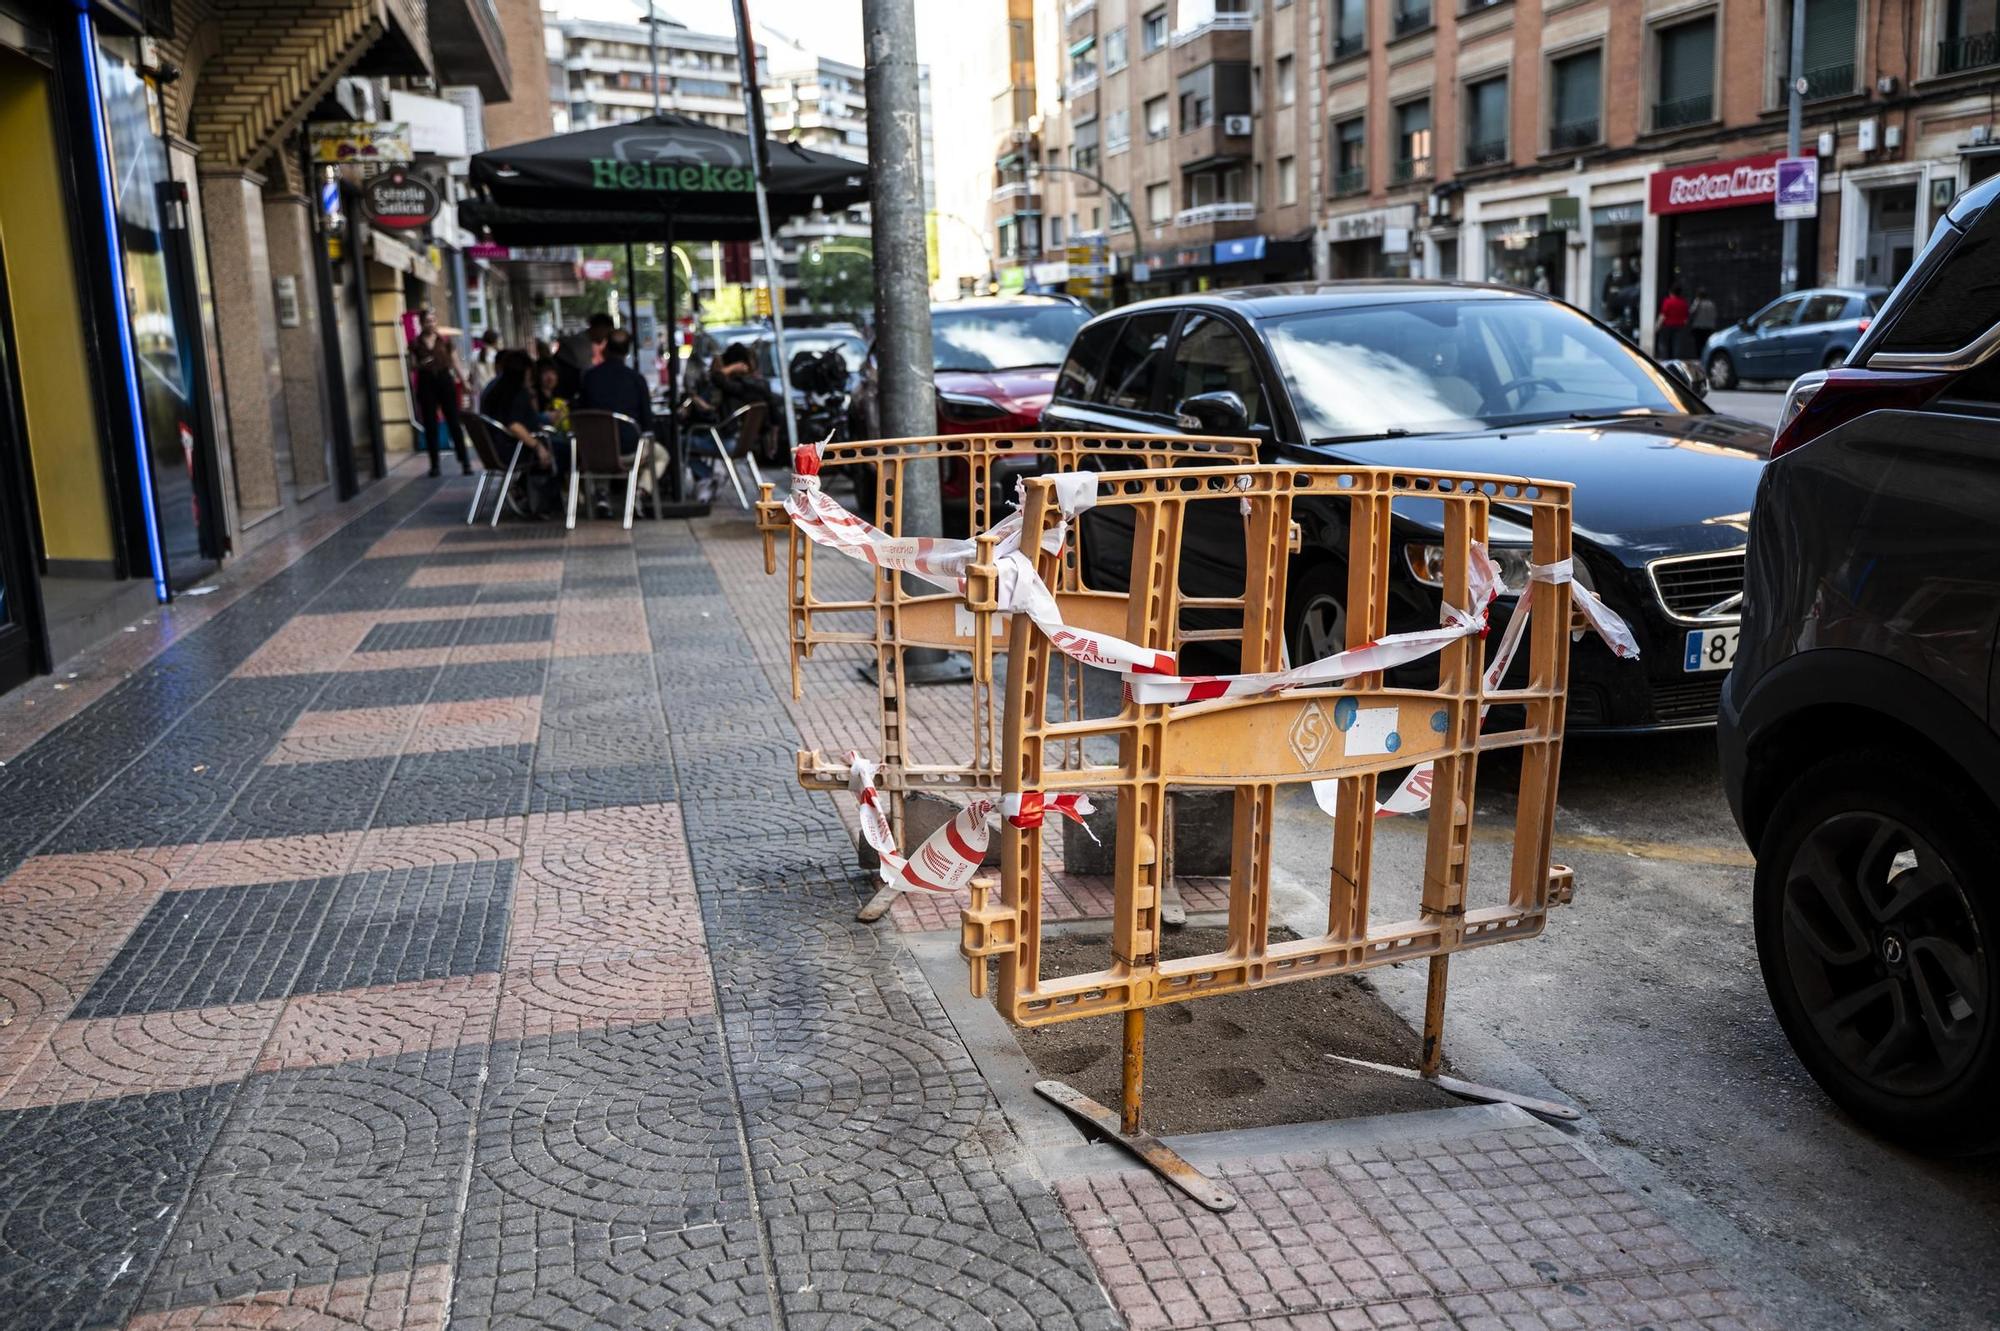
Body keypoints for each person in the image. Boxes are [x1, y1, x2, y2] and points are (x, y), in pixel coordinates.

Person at [579, 330, 670, 509]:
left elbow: (582, 410)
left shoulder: (589, 378)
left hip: (594, 451)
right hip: (630, 450)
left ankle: (602, 492)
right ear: (627, 351)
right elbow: (647, 421)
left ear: (606, 349)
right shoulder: (636, 379)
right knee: (661, 455)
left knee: (601, 441)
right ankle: (641, 491)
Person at [479, 349, 571, 519]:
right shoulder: (517, 394)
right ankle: (544, 501)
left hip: (494, 449)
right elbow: (514, 425)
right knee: (568, 451)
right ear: (526, 372)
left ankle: (529, 492)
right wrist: (538, 447)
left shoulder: (492, 390)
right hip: (514, 450)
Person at [409, 309, 471, 477]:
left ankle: (465, 462)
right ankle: (434, 464)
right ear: (421, 323)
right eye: (427, 321)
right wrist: (421, 364)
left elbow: (456, 362)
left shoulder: (444, 341)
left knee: (453, 421)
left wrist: (464, 382)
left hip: (445, 380)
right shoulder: (415, 343)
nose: (430, 324)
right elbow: (413, 366)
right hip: (426, 382)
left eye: (433, 320)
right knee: (430, 424)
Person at [555, 312, 614, 399]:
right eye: (607, 332)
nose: (606, 337)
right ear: (599, 328)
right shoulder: (581, 344)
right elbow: (587, 373)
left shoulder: (583, 341)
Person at [1655, 283, 1692, 359]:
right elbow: (1686, 318)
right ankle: (1675, 361)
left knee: (1664, 345)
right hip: (1679, 327)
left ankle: (1665, 360)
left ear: (1671, 292)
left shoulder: (1667, 301)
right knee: (1677, 346)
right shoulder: (1683, 303)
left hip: (1667, 326)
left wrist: (1657, 326)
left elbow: (1663, 315)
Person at [467, 329, 500, 400]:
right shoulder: (496, 356)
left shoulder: (474, 354)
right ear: (495, 342)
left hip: (478, 394)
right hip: (494, 393)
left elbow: (471, 376)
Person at [1688, 288, 1720, 360]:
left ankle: (1699, 358)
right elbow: (1714, 315)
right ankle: (1705, 358)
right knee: (1706, 343)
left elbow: (1691, 312)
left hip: (1698, 326)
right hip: (1709, 327)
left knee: (1698, 344)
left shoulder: (1697, 302)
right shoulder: (1711, 304)